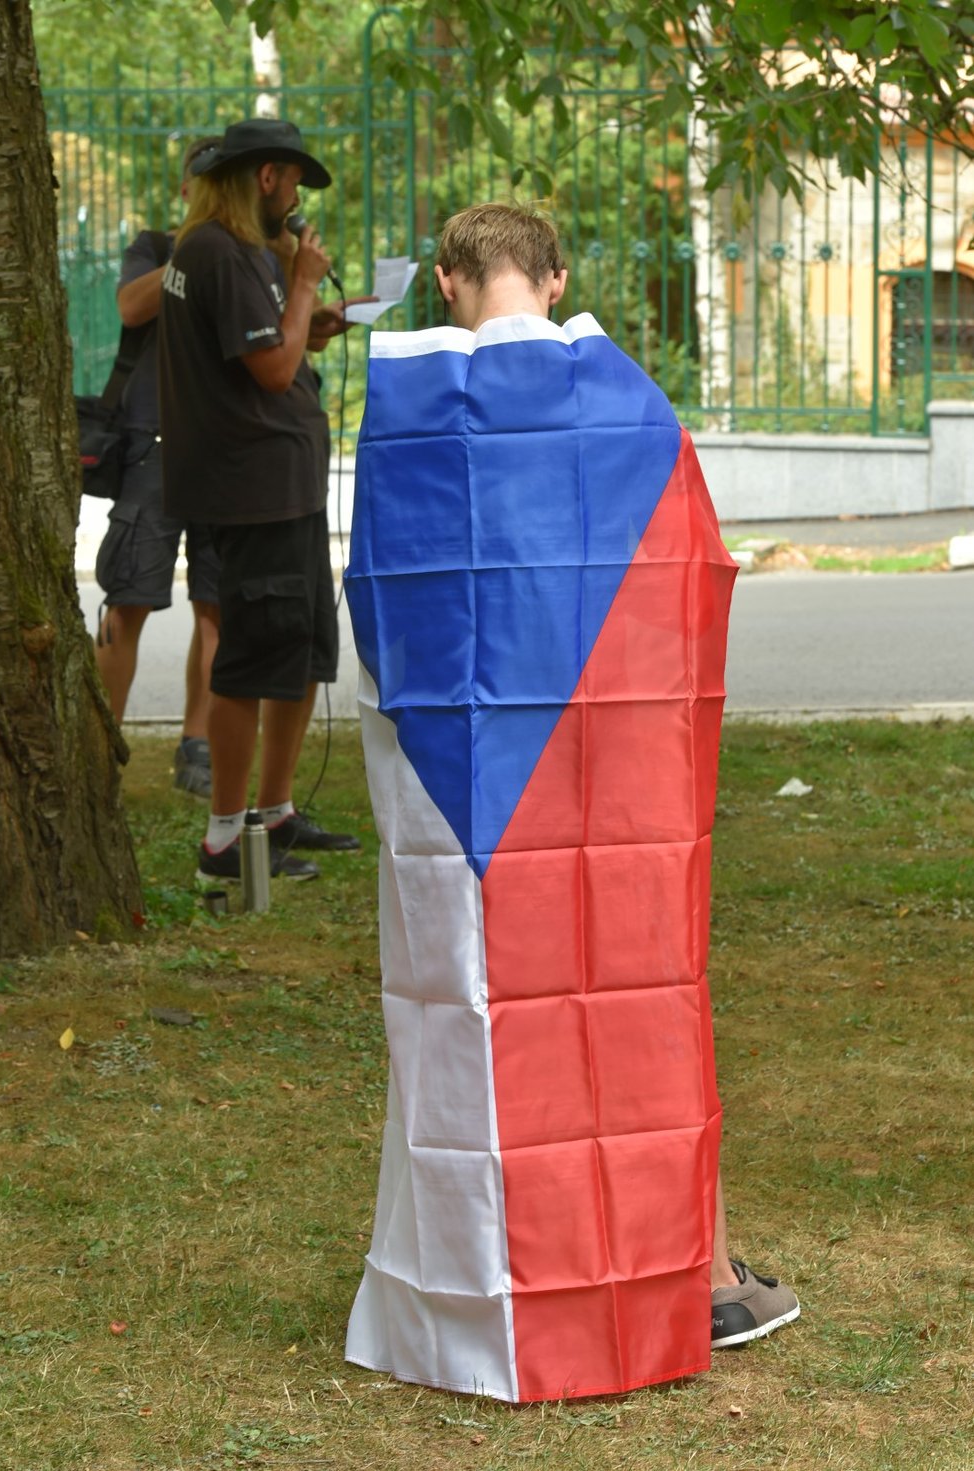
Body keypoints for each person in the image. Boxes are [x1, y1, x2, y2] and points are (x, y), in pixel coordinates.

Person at [343, 204, 798, 1402]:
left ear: (446, 280)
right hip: (609, 787)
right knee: (631, 1025)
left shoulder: (400, 426)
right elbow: (693, 582)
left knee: (469, 1024)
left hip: (458, 800)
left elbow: (383, 612)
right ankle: (669, 1270)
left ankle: (465, 1285)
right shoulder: (634, 409)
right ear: (558, 275)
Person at [157, 118, 361, 883]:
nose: (300, 199)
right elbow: (272, 373)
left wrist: (312, 323)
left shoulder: (235, 251)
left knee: (300, 651)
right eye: (296, 181)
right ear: (268, 177)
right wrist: (305, 282)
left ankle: (272, 813)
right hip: (253, 490)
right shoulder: (218, 251)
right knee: (250, 664)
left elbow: (270, 347)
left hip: (284, 486)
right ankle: (224, 842)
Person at [95, 135, 223, 797]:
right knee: (130, 596)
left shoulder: (246, 252)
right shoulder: (156, 247)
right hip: (153, 444)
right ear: (185, 191)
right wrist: (191, 249)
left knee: (217, 606)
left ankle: (196, 746)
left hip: (223, 451)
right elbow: (131, 307)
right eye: (203, 182)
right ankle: (102, 747)